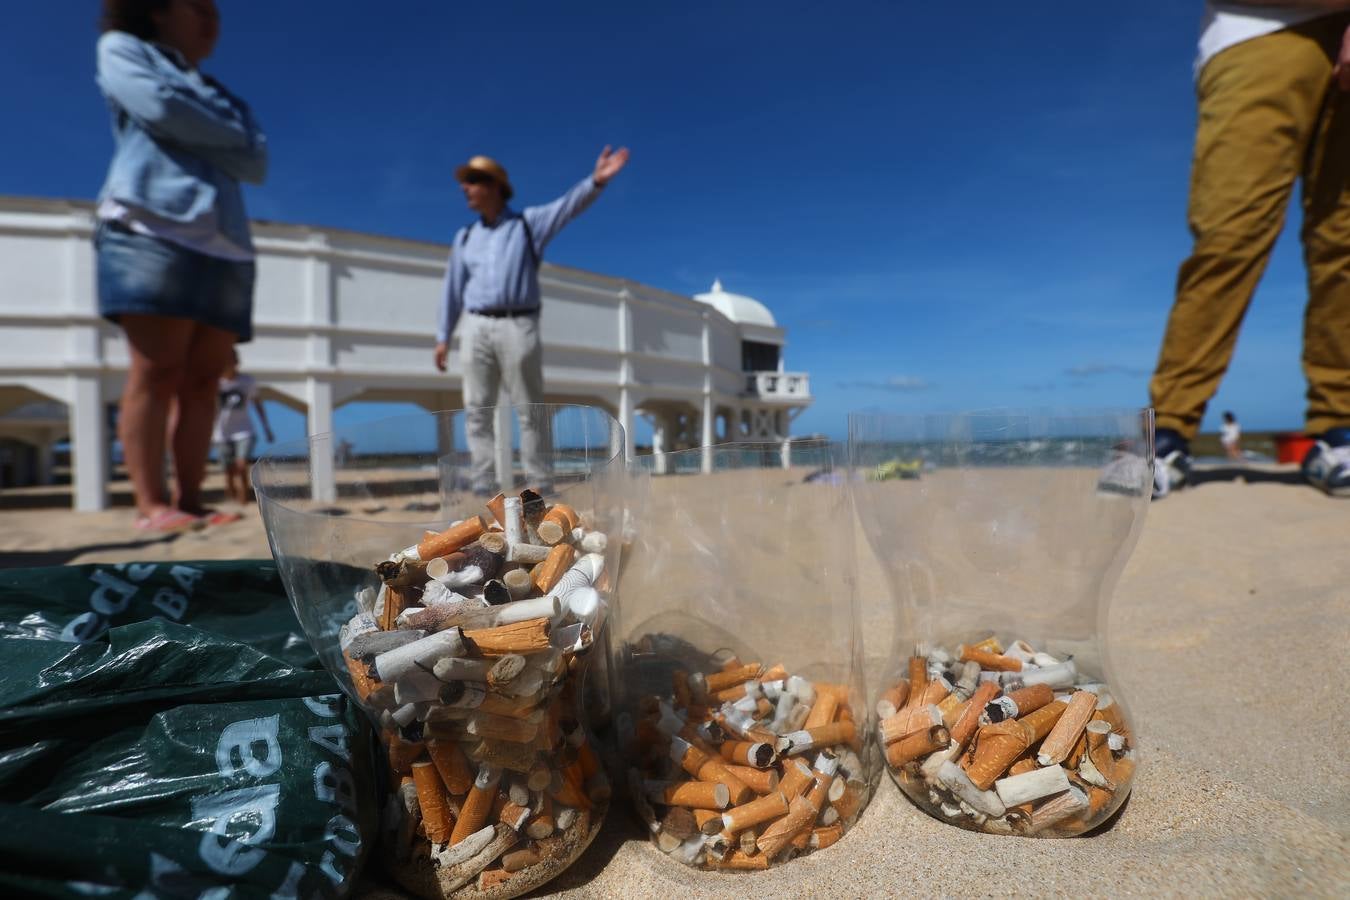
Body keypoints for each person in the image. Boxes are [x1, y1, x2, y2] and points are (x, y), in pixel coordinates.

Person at [1149, 2, 1350, 498]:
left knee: (1343, 245)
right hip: (1258, 30)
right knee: (1227, 238)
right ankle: (1167, 433)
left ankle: (1339, 430)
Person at [94, 0, 267, 530]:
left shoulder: (221, 93)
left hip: (227, 243)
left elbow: (255, 160)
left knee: (202, 382)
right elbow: (159, 107)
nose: (212, 19)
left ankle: (190, 500)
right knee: (156, 369)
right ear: (157, 10)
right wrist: (222, 134)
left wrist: (191, 118)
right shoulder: (121, 49)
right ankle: (151, 504)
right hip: (149, 224)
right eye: (197, 6)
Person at [433, 148, 630, 494]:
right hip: (475, 326)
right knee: (477, 409)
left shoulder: (528, 224)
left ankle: (540, 485)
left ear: (495, 186)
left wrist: (595, 181)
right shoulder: (464, 237)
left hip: (518, 326)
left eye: (473, 181)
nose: (465, 188)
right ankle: (482, 485)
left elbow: (567, 207)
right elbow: (452, 289)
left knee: (531, 410)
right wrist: (442, 336)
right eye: (465, 182)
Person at [213, 349, 273, 507]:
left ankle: (243, 499)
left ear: (236, 362)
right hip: (221, 434)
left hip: (244, 431)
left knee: (241, 464)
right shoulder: (214, 382)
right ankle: (231, 492)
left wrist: (267, 428)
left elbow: (258, 404)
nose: (227, 363)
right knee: (228, 469)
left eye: (230, 359)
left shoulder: (247, 381)